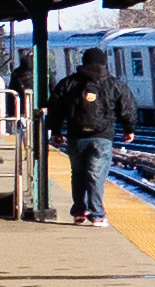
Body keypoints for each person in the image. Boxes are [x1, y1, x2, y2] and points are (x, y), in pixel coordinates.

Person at [48, 49, 124, 223]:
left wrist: (56, 131)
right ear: (104, 63)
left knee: (78, 174)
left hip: (76, 136)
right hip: (102, 137)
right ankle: (97, 214)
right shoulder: (114, 83)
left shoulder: (68, 83)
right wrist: (129, 128)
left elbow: (56, 108)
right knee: (96, 175)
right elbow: (127, 105)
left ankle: (79, 212)